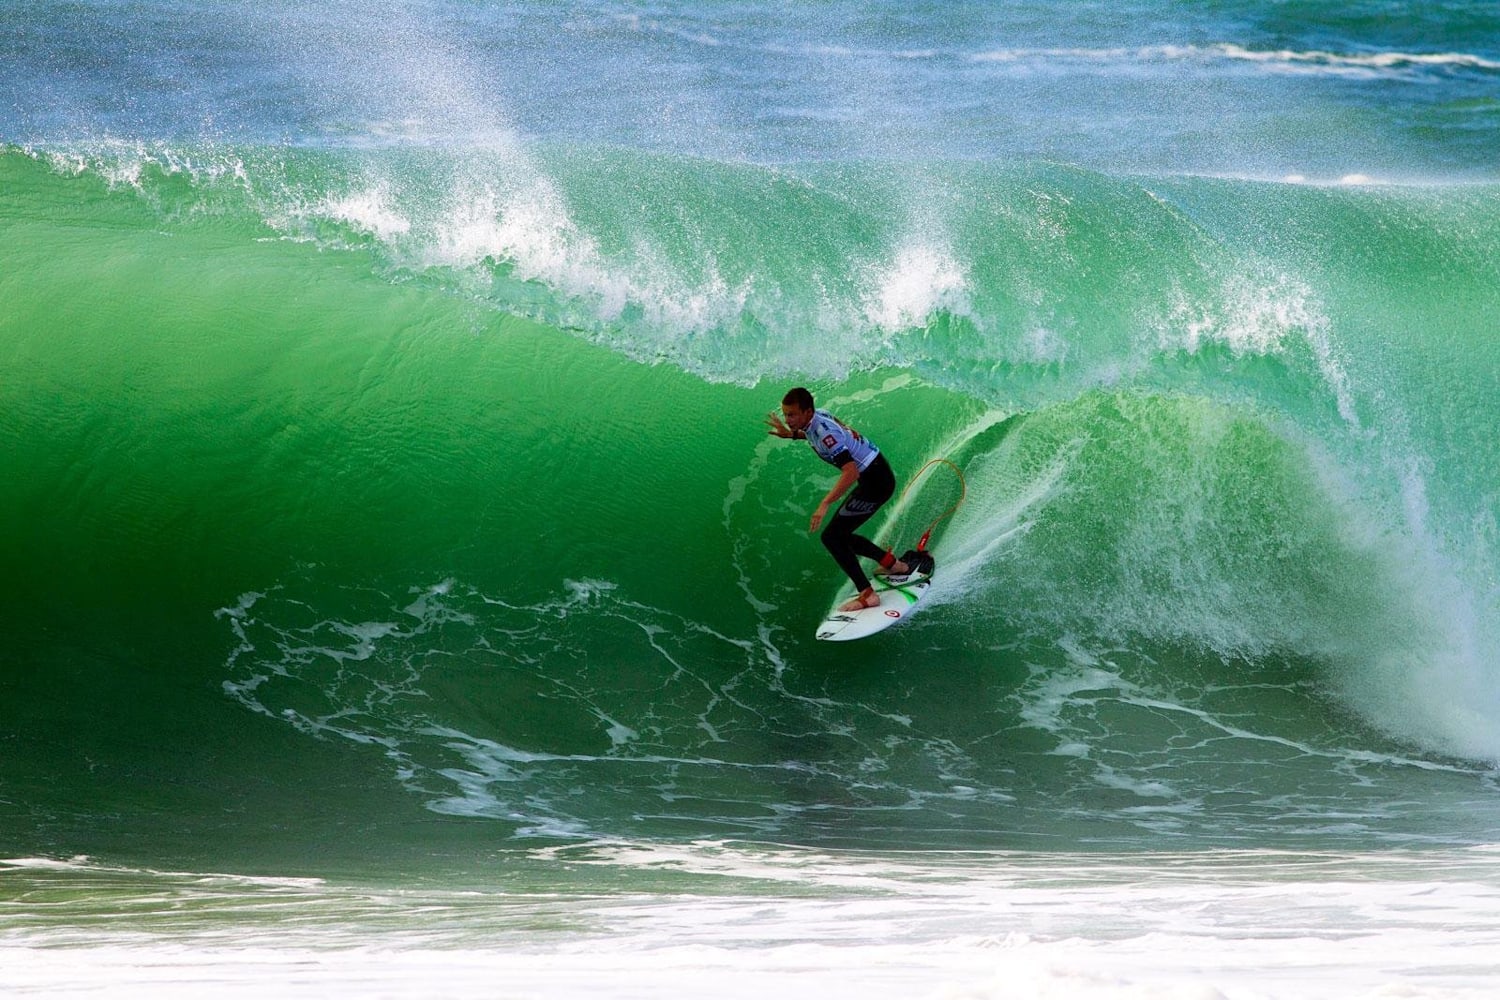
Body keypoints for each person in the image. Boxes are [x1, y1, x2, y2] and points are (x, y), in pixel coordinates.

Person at [766, 387, 910, 612]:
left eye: (792, 414)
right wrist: (790, 434)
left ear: (807, 412)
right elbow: (835, 431)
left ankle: (868, 594)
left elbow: (850, 471)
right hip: (874, 473)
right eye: (786, 414)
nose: (788, 419)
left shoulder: (824, 432)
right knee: (838, 535)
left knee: (833, 537)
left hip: (876, 481)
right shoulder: (817, 418)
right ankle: (894, 565)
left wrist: (824, 503)